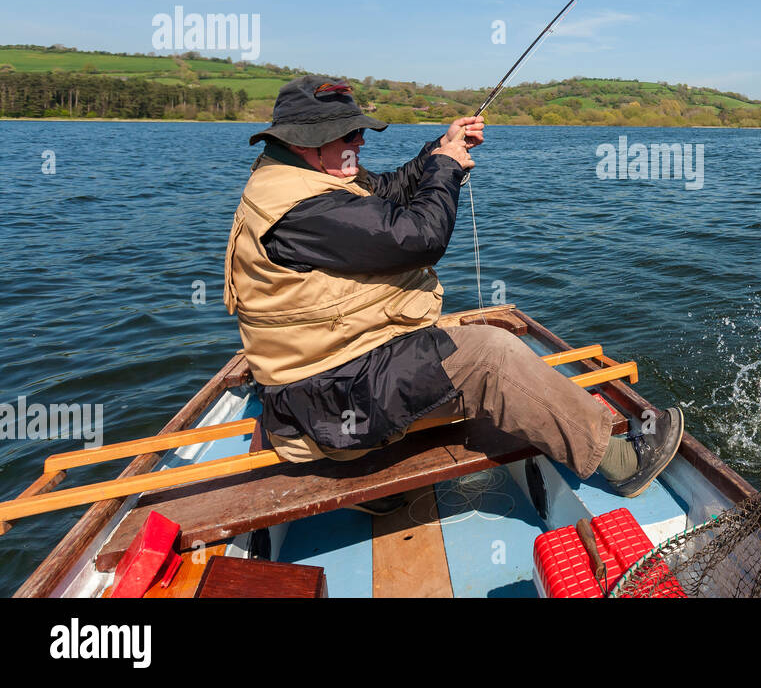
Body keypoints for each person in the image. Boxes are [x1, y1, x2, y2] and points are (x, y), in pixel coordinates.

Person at [223, 75, 682, 501]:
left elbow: (386, 192)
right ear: (307, 141)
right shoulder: (303, 209)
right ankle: (621, 464)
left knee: (461, 346)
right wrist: (445, 169)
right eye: (349, 134)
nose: (360, 140)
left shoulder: (300, 177)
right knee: (488, 353)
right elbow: (417, 239)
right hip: (324, 400)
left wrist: (439, 150)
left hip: (330, 381)